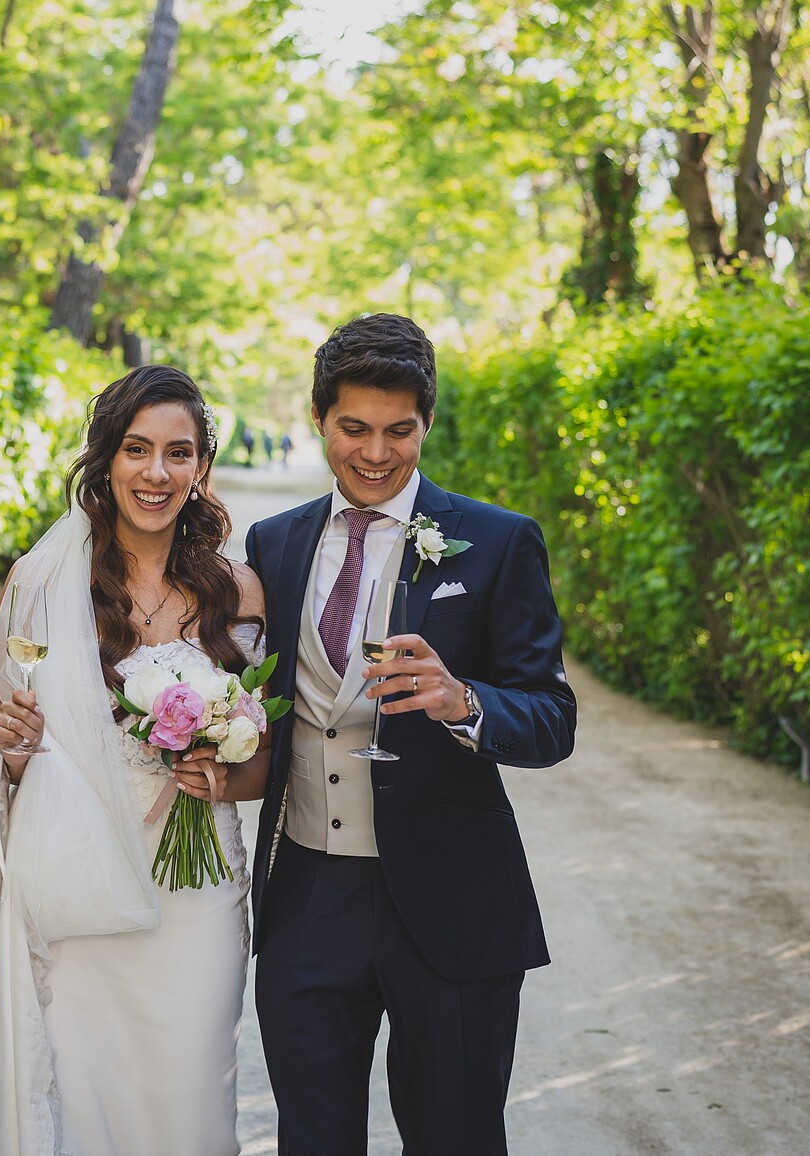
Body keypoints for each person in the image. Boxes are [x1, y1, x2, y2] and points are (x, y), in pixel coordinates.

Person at [0, 365, 269, 1156]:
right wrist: (12, 751)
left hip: (199, 888)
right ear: (105, 459)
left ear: (201, 466)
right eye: (137, 449)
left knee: (192, 1093)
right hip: (77, 880)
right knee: (84, 1096)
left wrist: (221, 774)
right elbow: (11, 745)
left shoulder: (237, 591)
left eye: (178, 452)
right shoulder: (40, 585)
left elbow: (262, 765)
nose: (156, 472)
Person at [244, 313, 576, 1156]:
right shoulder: (273, 543)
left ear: (428, 422)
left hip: (452, 898)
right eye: (353, 428)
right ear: (319, 418)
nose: (376, 453)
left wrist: (464, 701)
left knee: (455, 1137)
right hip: (308, 896)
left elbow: (552, 716)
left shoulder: (499, 541)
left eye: (399, 431)